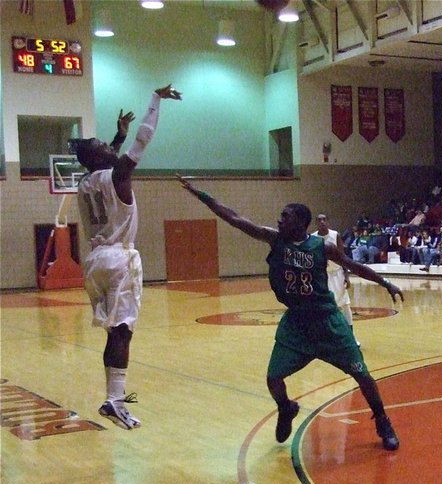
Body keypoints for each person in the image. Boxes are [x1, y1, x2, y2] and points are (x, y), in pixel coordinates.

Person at [176, 177, 403, 451]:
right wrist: (200, 194)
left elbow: (353, 266)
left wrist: (385, 283)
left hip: (327, 321)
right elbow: (235, 218)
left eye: (286, 216)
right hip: (296, 323)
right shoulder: (275, 239)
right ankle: (286, 408)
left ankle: (382, 420)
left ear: (300, 222)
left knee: (363, 375)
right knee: (273, 378)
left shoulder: (322, 247)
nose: (280, 220)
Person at [69, 83, 182, 430]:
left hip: (94, 262)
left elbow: (100, 160)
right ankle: (115, 402)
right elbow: (145, 138)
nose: (109, 147)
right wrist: (155, 99)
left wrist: (115, 138)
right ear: (98, 157)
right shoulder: (118, 175)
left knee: (114, 333)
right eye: (103, 146)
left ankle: (112, 398)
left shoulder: (85, 183)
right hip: (119, 260)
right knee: (123, 332)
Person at [314, 214, 358, 346]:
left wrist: (346, 275)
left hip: (338, 274)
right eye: (319, 220)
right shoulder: (313, 238)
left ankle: (351, 337)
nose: (322, 222)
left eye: (324, 219)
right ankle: (326, 338)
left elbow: (343, 257)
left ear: (328, 221)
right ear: (316, 223)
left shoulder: (335, 235)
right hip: (322, 276)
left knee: (345, 305)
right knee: (325, 307)